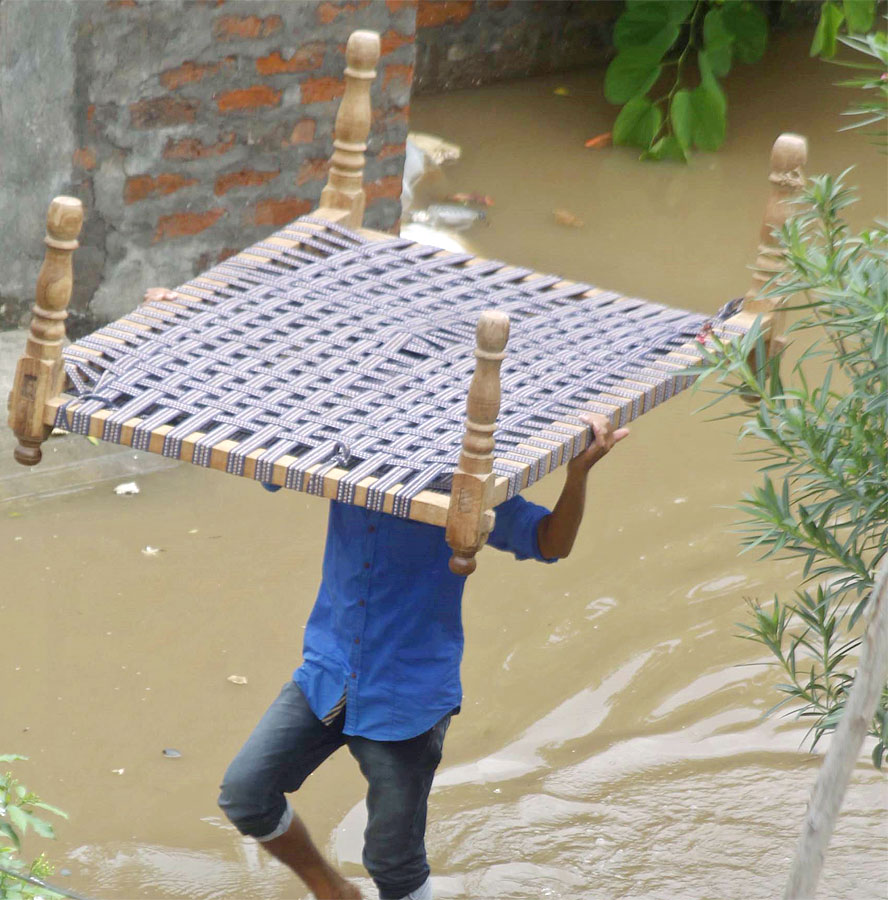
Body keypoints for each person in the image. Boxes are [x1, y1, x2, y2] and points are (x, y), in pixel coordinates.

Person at [144, 287, 629, 899]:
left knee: (393, 862)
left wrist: (578, 473)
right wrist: (187, 331)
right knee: (245, 793)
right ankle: (329, 888)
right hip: (328, 674)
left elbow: (550, 542)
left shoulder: (465, 484)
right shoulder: (345, 454)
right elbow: (256, 433)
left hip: (408, 695)